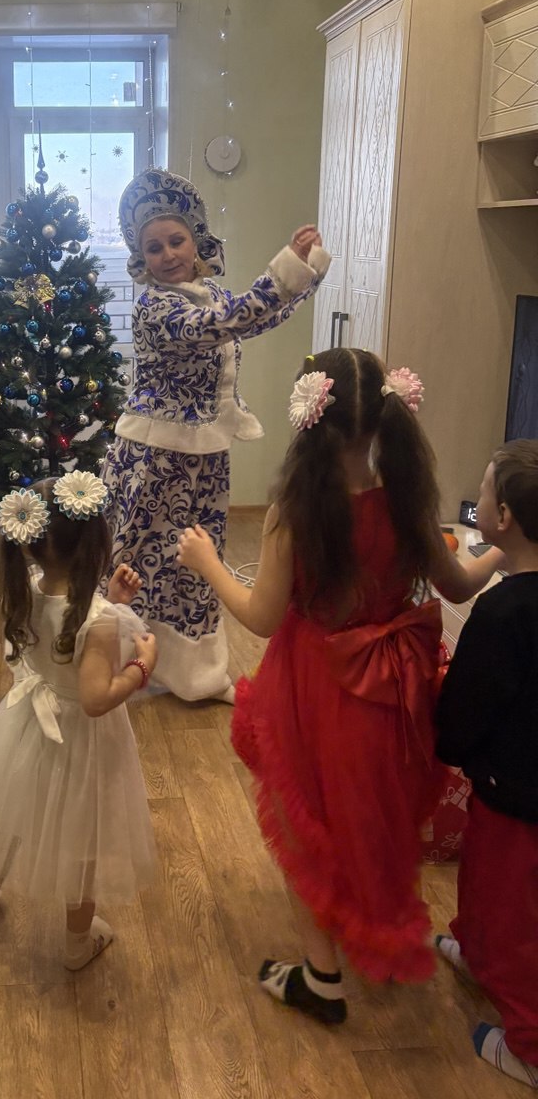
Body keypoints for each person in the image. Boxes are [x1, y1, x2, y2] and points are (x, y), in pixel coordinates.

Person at [176, 348, 503, 1024]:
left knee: (308, 824)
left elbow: (263, 617)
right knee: (373, 814)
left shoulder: (293, 511)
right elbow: (459, 584)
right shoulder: (408, 499)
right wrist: (513, 545)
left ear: (308, 416)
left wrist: (208, 562)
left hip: (313, 689)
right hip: (393, 694)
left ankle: (322, 976)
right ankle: (361, 932)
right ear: (386, 417)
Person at [101, 168, 330, 702]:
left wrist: (307, 271)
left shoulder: (209, 294)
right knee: (133, 556)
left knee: (197, 559)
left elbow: (254, 318)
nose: (168, 254)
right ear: (141, 258)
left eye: (176, 240)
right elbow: (227, 322)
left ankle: (195, 675)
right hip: (153, 459)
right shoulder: (156, 307)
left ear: (196, 241)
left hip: (204, 455)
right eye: (154, 247)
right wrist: (288, 267)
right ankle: (104, 660)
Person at [0, 472, 158, 969]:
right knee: (82, 844)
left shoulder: (27, 589)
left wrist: (111, 602)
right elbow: (95, 698)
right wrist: (141, 666)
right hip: (80, 745)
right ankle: (76, 945)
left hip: (25, 733)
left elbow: (64, 626)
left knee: (9, 824)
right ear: (96, 544)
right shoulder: (98, 619)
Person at [435, 441, 538, 1089]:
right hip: (512, 785)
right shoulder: (511, 603)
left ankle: (529, 1044)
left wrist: (448, 746)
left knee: (514, 913)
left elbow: (467, 704)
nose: (477, 499)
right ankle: (473, 949)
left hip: (516, 793)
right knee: (481, 879)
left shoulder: (502, 614)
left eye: (484, 491)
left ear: (503, 519)